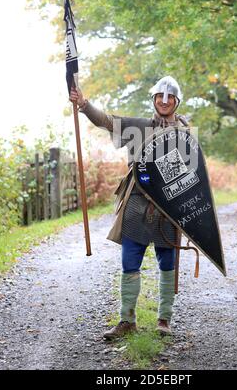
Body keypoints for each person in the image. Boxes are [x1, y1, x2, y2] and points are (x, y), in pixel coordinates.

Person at [69, 76, 189, 339]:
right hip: (137, 203)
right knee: (129, 262)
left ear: (177, 102)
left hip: (168, 208)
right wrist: (84, 104)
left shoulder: (186, 134)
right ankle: (127, 321)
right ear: (154, 100)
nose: (164, 101)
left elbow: (193, 177)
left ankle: (164, 319)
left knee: (167, 263)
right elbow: (107, 122)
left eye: (169, 98)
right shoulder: (141, 126)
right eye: (160, 97)